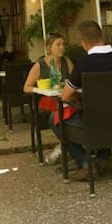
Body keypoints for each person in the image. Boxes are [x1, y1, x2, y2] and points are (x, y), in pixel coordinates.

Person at [56, 21, 112, 181]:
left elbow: (64, 96)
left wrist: (77, 97)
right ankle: (102, 158)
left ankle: (85, 162)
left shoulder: (84, 63)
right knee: (106, 109)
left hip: (95, 124)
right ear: (101, 37)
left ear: (84, 43)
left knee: (55, 119)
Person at [23, 33, 74, 164]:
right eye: (58, 44)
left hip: (65, 98)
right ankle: (65, 147)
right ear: (49, 47)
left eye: (63, 44)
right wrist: (41, 90)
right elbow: (26, 87)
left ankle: (63, 146)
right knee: (60, 115)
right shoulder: (40, 65)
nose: (62, 47)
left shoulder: (66, 61)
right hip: (48, 101)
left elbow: (74, 80)